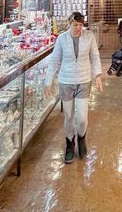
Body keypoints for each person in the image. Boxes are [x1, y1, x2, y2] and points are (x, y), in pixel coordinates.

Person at [44, 12, 103, 164]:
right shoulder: (62, 39)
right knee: (69, 116)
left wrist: (98, 75)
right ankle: (70, 144)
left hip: (84, 80)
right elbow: (54, 60)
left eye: (80, 25)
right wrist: (48, 81)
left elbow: (95, 56)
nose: (78, 28)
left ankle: (81, 137)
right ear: (69, 24)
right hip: (66, 81)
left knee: (82, 118)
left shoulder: (89, 36)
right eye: (75, 25)